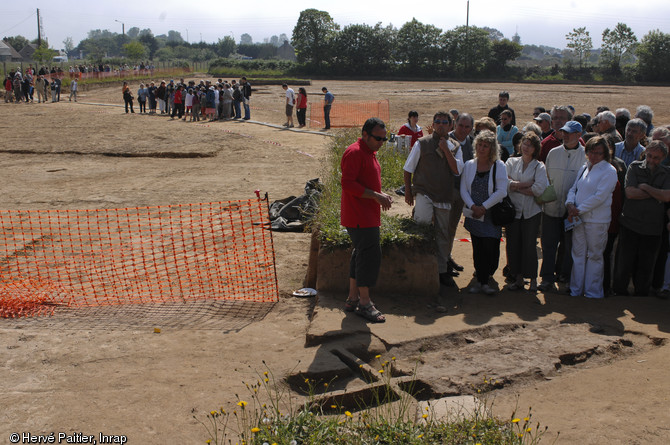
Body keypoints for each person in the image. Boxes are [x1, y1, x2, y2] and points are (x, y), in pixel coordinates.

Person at [403, 112, 463, 290]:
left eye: (445, 122)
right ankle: (417, 265)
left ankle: (442, 271)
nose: (441, 125)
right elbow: (408, 169)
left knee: (443, 233)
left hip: (444, 196)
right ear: (433, 123)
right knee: (421, 227)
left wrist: (446, 149)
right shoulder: (422, 143)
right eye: (437, 122)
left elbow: (457, 170)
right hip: (424, 192)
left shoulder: (455, 146)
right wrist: (408, 191)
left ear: (450, 126)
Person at [341, 117, 393, 323]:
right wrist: (376, 196)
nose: (381, 142)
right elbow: (348, 184)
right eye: (378, 138)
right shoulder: (355, 152)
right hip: (359, 216)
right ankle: (364, 302)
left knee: (360, 254)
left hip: (365, 215)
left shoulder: (368, 151)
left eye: (384, 139)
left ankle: (353, 297)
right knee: (369, 256)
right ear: (365, 135)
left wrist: (380, 194)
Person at [614, 141, 670, 296]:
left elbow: (666, 196)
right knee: (624, 261)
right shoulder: (634, 167)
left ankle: (642, 293)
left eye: (657, 158)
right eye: (650, 156)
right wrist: (656, 193)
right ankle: (619, 290)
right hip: (630, 222)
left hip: (653, 226)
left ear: (663, 158)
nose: (652, 160)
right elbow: (630, 193)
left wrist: (645, 187)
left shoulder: (667, 173)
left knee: (647, 263)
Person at [565, 136, 618, 299]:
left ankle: (593, 292)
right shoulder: (584, 168)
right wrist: (570, 204)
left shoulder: (609, 171)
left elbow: (600, 197)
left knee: (595, 255)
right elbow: (573, 189)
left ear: (605, 154)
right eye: (591, 152)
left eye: (598, 153)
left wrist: (578, 210)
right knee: (578, 254)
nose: (594, 156)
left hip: (597, 221)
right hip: (579, 220)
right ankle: (576, 289)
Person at [539, 121, 586, 292]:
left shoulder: (585, 156)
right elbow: (547, 177)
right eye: (564, 132)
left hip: (571, 211)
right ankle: (547, 278)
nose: (565, 136)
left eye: (570, 133)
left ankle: (564, 277)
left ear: (579, 135)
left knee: (568, 246)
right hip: (551, 207)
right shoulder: (553, 153)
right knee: (549, 245)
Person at [461, 130, 508, 295]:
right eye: (479, 145)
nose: (481, 148)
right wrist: (474, 207)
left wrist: (484, 207)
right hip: (474, 215)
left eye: (485, 146)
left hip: (490, 215)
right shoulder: (469, 165)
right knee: (478, 248)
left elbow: (502, 191)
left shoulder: (498, 166)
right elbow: (464, 189)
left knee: (491, 247)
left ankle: (487, 275)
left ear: (492, 148)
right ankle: (481, 281)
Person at [505, 133, 548, 292]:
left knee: (529, 245)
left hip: (532, 212)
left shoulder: (539, 166)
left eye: (530, 145)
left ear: (535, 148)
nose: (526, 147)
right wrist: (525, 184)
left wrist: (516, 187)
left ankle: (533, 280)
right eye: (524, 143)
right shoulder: (511, 161)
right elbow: (504, 183)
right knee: (513, 244)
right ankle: (518, 279)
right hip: (513, 211)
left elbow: (539, 189)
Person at [447, 113, 475, 274]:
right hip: (446, 191)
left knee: (452, 228)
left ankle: (447, 257)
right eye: (461, 125)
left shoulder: (471, 143)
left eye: (467, 127)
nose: (463, 129)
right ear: (454, 124)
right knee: (442, 228)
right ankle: (442, 263)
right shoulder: (447, 140)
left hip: (462, 193)